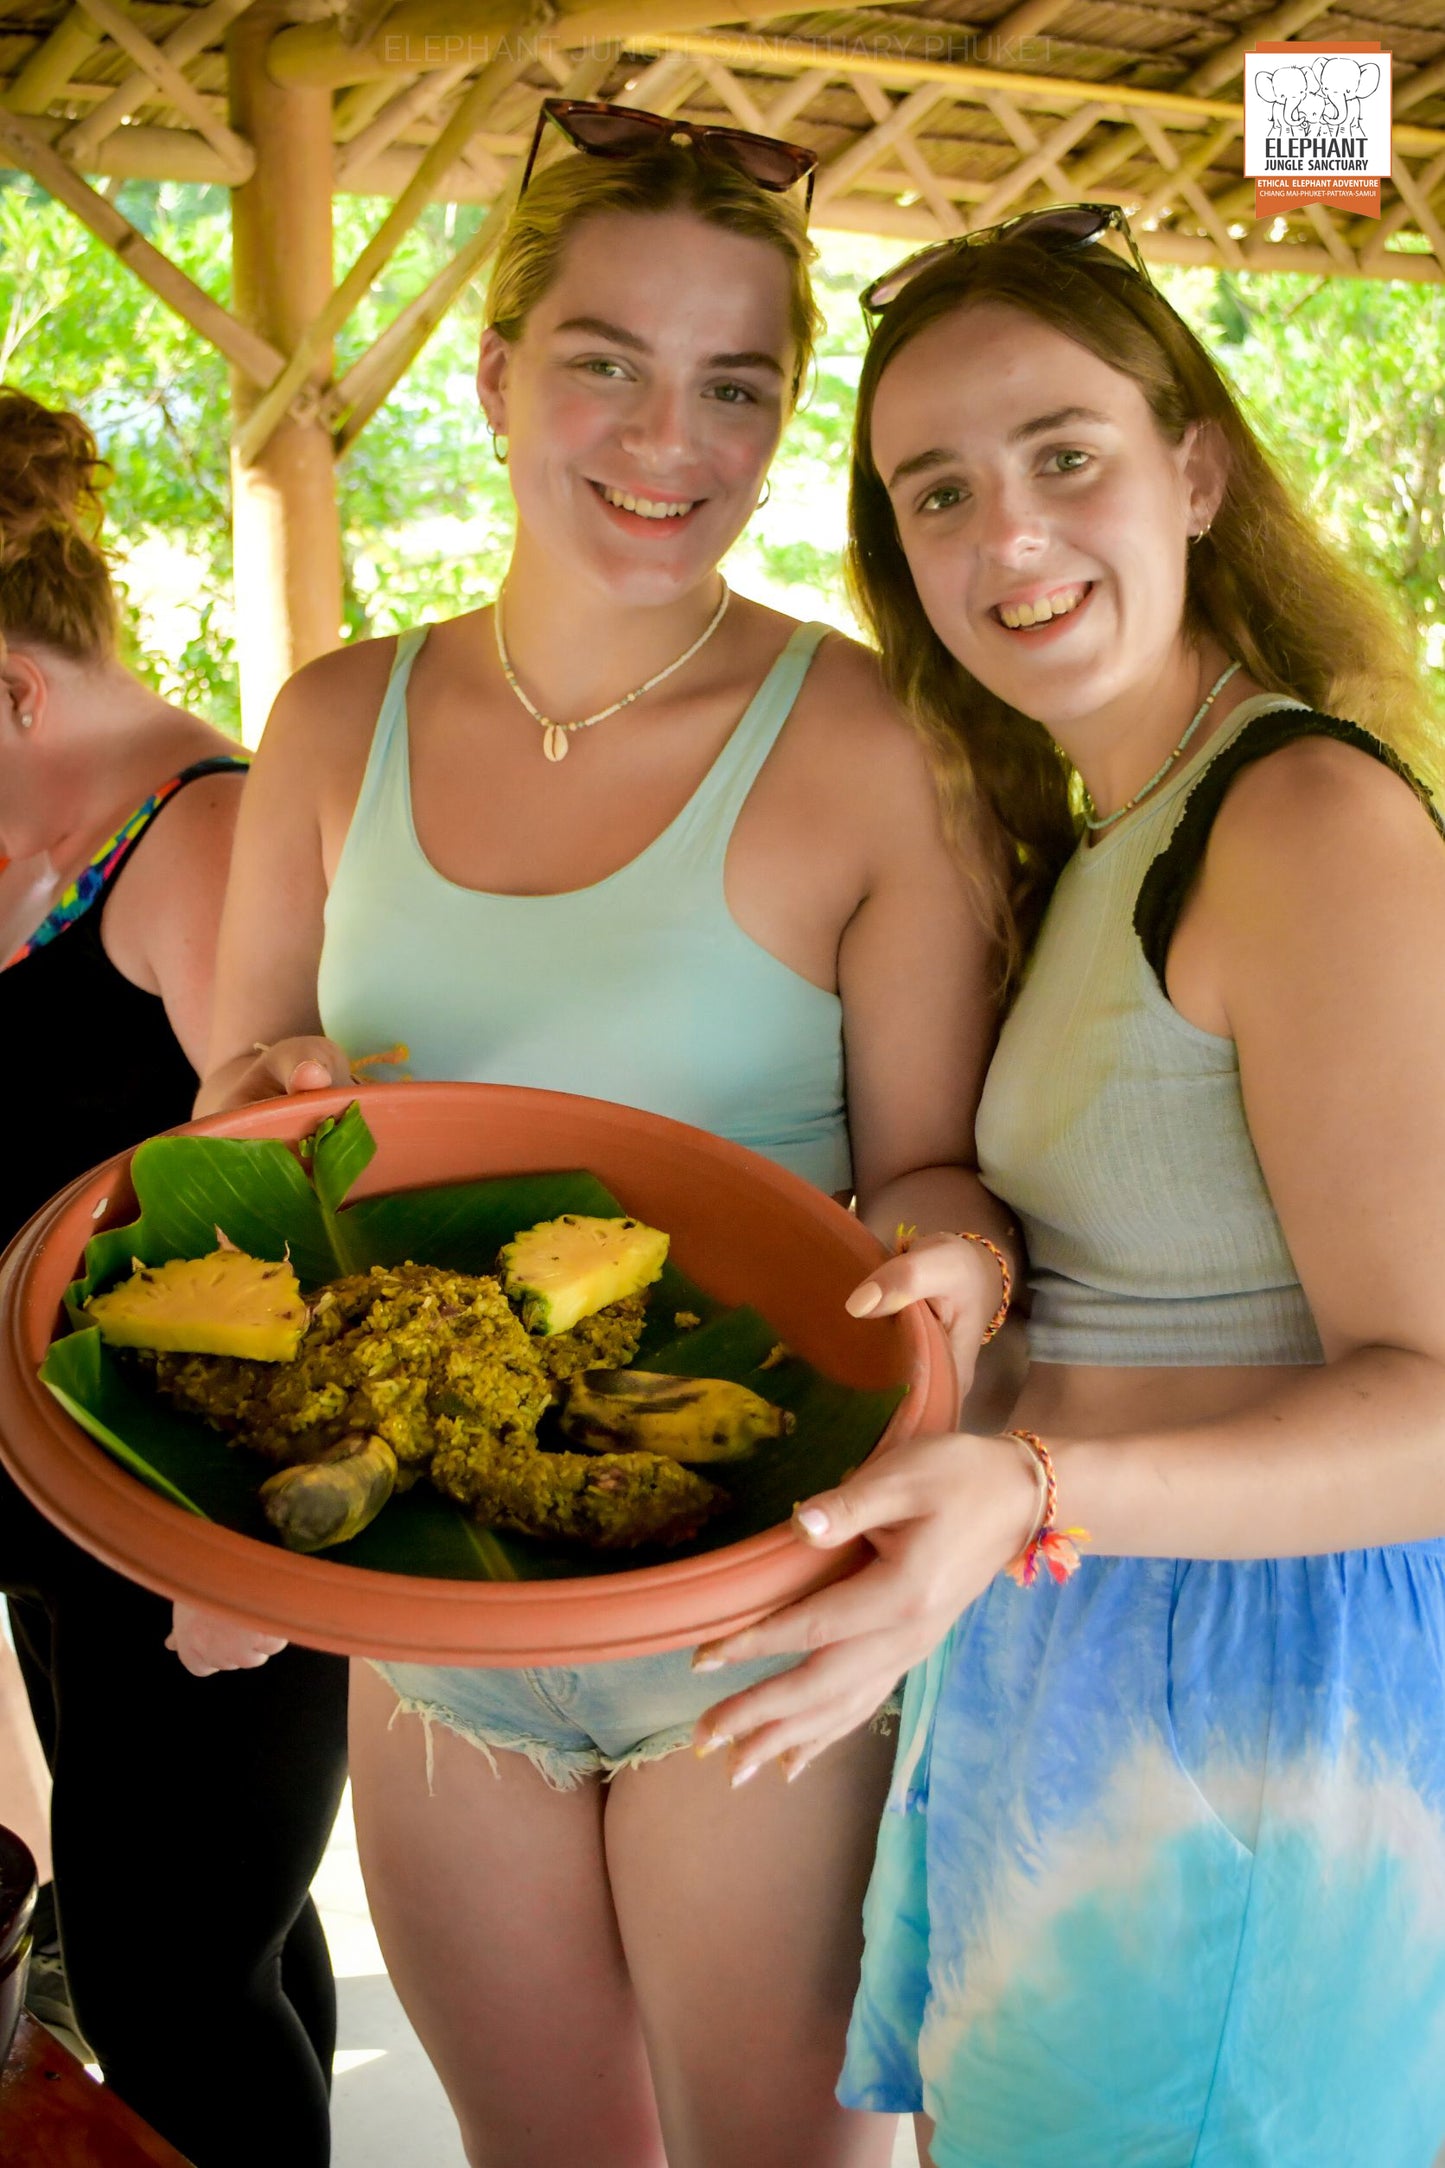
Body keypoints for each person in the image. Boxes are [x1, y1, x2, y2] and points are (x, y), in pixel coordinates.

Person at [185, 103, 1015, 2168]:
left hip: (750, 1617)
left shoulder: (866, 742)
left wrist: (961, 1264)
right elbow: (233, 1127)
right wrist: (264, 1110)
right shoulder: (327, 724)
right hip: (438, 1619)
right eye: (607, 363)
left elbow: (924, 1176)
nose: (672, 437)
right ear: (492, 377)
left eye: (738, 384)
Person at [685, 206, 1445, 2167]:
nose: (1005, 538)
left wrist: (1030, 1482)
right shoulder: (1124, 826)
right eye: (938, 493)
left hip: (1256, 1732)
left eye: (1065, 456)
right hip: (1072, 1679)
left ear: (1193, 464)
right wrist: (979, 1262)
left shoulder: (1303, 823)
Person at [0, 387, 349, 2168]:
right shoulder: (24, 809)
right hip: (59, 1515)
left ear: (14, 684)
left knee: (168, 1983)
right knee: (224, 1951)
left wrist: (241, 1553)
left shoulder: (194, 837)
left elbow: (303, 1225)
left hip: (188, 1523)